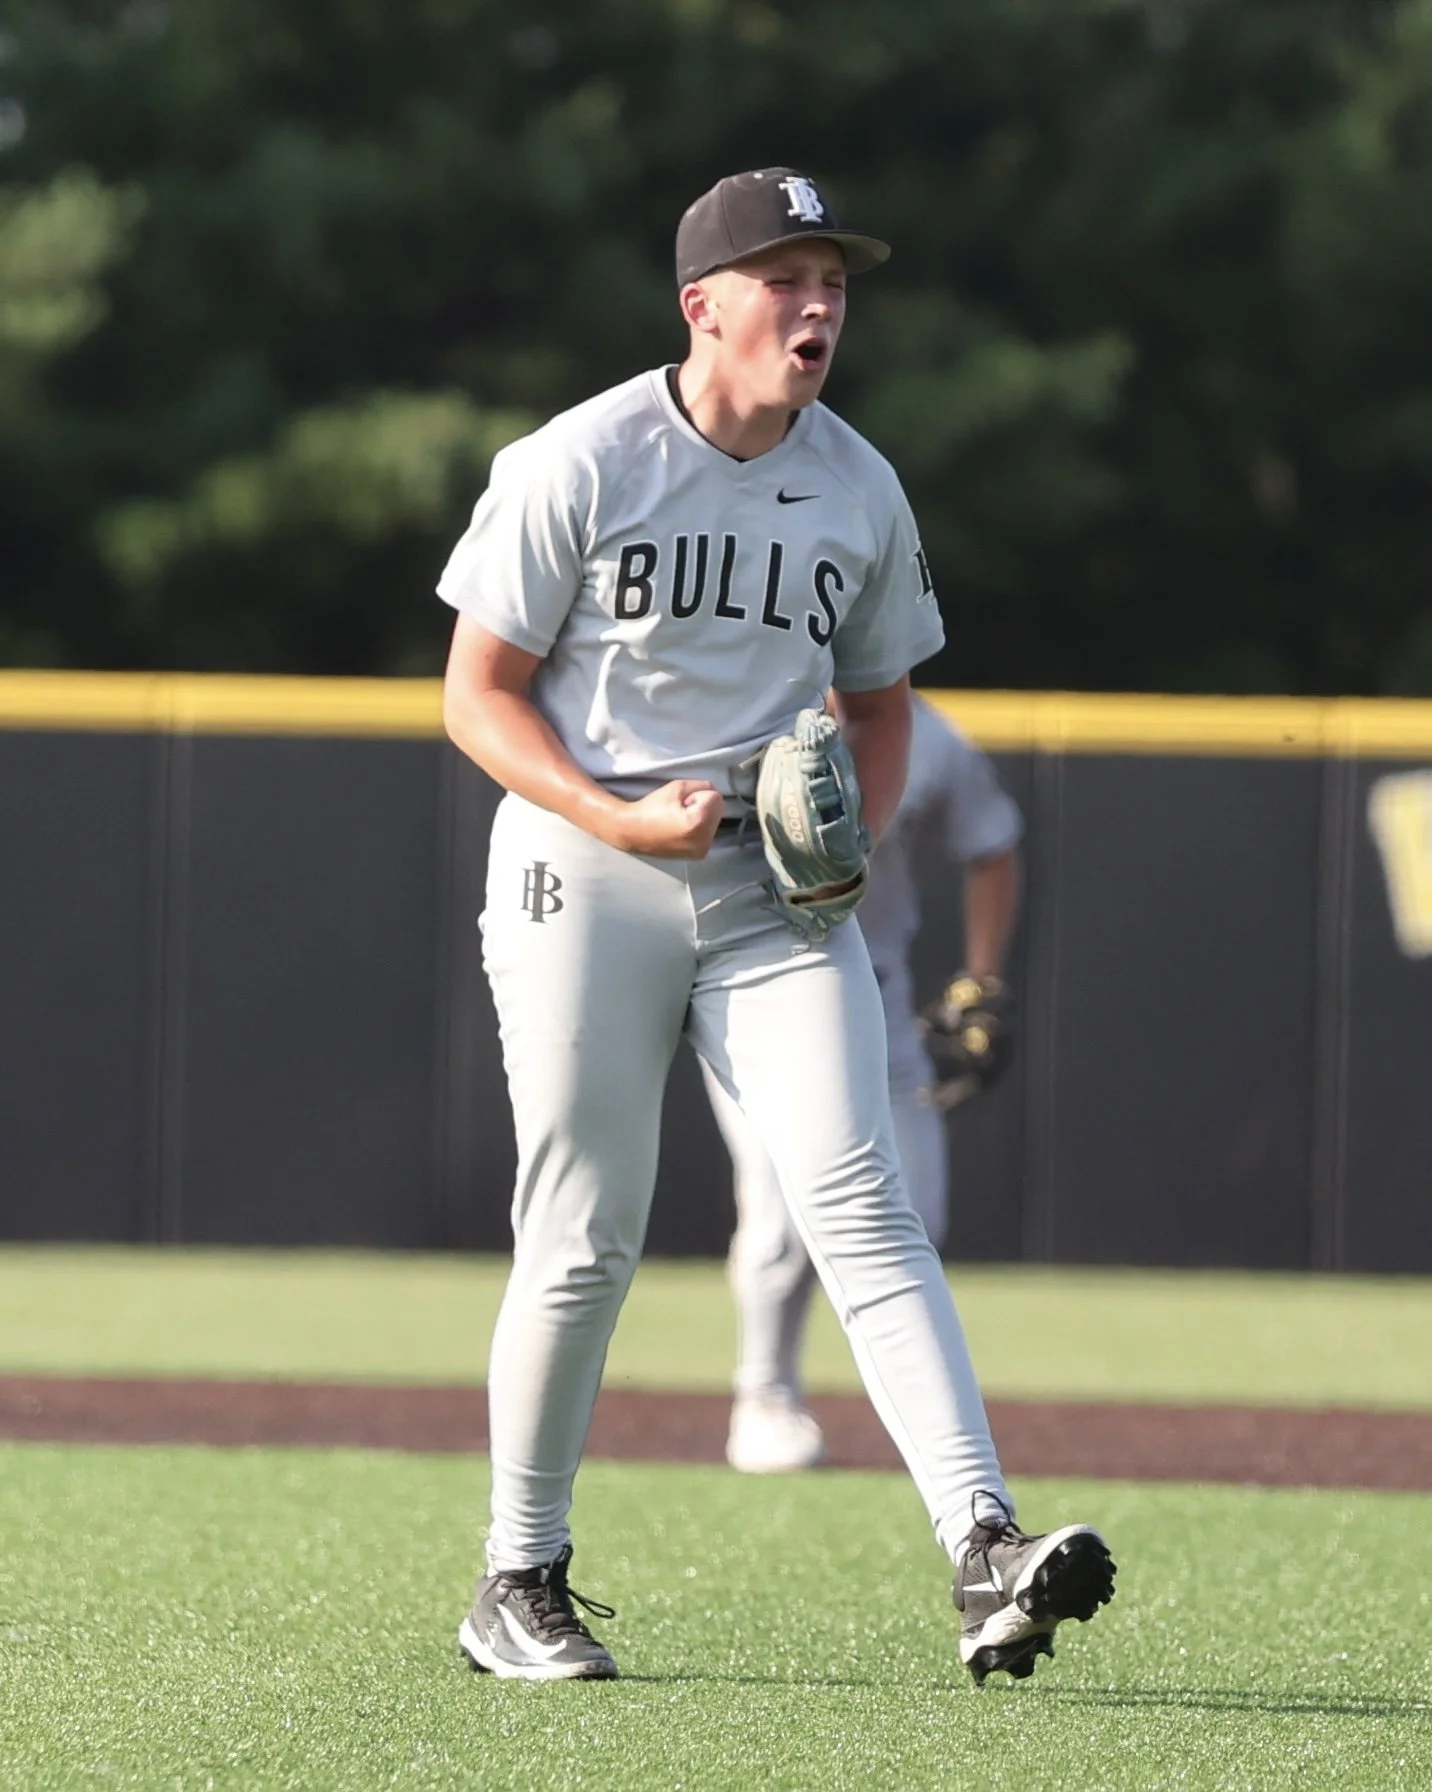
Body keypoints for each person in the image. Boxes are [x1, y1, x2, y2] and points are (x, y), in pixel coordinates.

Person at [437, 166, 1115, 1686]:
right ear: (706, 307)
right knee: (585, 1230)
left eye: (836, 283)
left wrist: (852, 838)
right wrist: (614, 817)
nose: (819, 307)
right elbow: (474, 690)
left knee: (861, 1194)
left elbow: (881, 704)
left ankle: (983, 1544)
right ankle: (518, 1575)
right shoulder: (582, 459)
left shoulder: (860, 484)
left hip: (768, 892)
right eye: (787, 278)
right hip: (583, 861)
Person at [718, 695, 1023, 1473]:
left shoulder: (927, 735)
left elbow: (994, 845)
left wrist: (981, 976)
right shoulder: (730, 704)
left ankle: (924, 1428)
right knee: (781, 1211)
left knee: (916, 1211)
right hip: (747, 986)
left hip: (874, 993)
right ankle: (763, 1394)